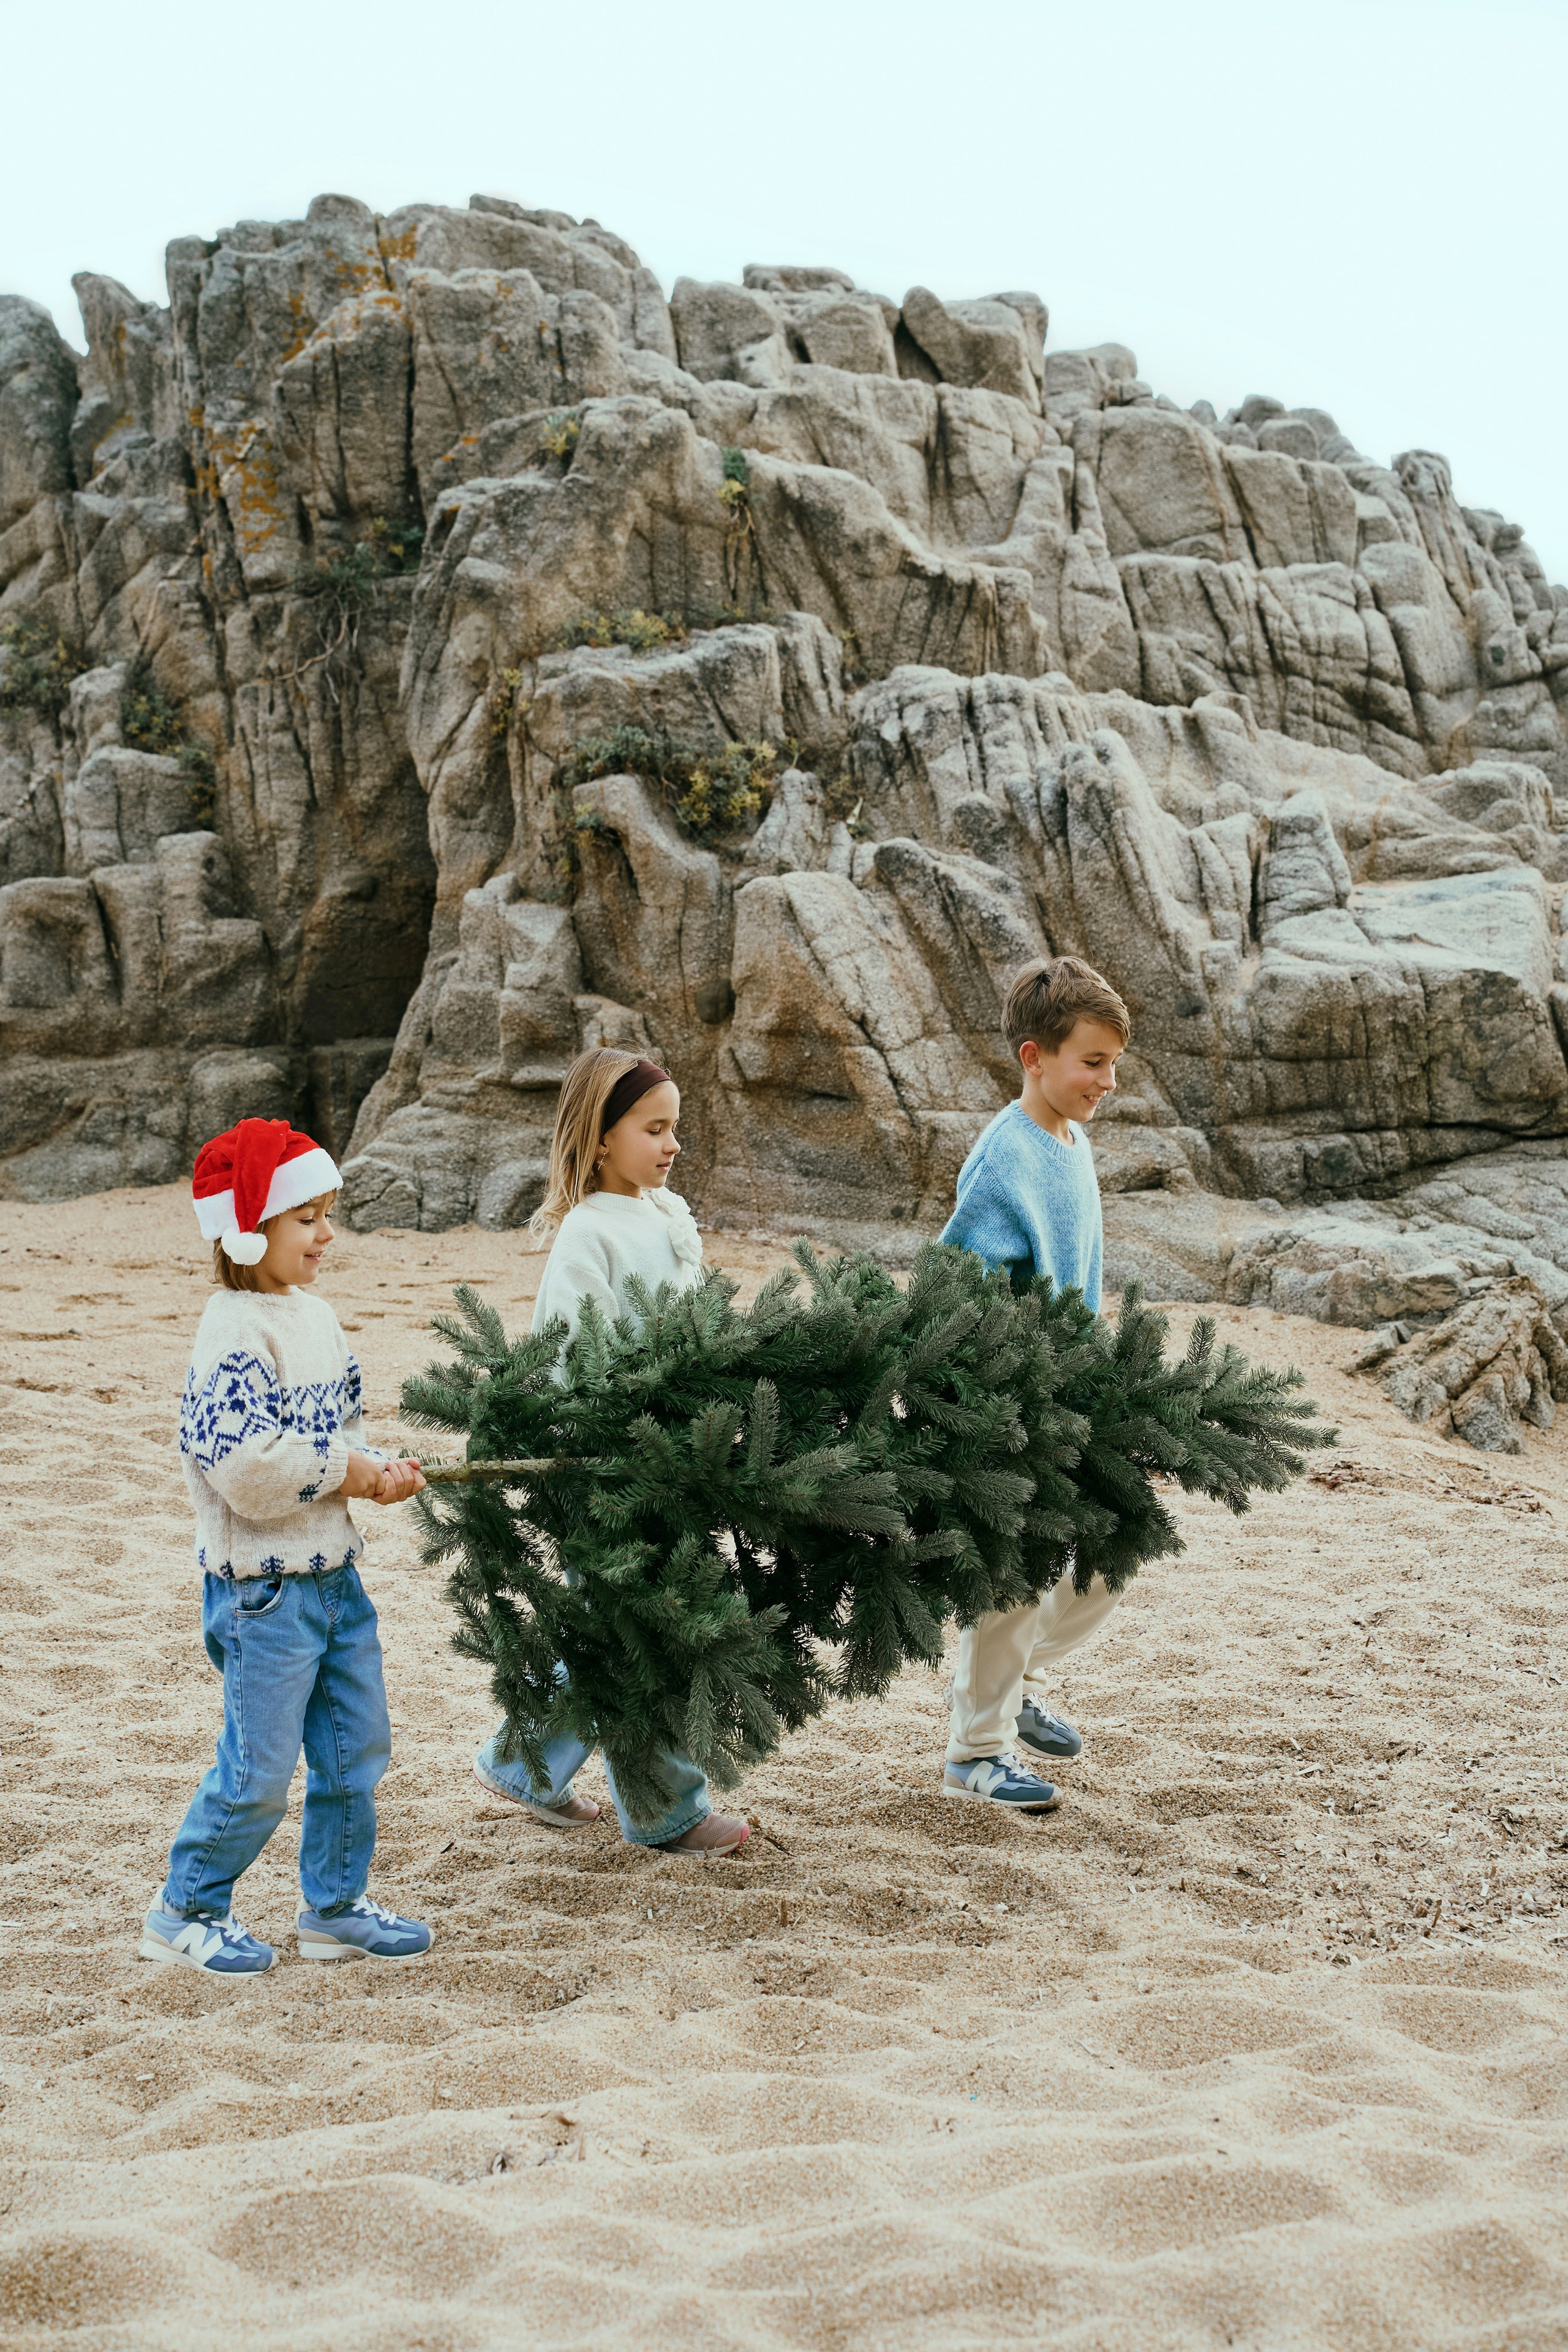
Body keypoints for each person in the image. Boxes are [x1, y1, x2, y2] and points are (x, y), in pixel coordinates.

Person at [139, 1118, 432, 1975]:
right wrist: (350, 1470)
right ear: (248, 1226)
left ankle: (334, 1908)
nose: (327, 1235)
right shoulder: (233, 1330)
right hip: (261, 1593)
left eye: (326, 1215)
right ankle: (184, 1908)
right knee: (260, 1768)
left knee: (355, 1749)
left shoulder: (316, 1317)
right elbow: (244, 1470)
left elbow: (342, 1427)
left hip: (335, 1577)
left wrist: (376, 1469)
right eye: (307, 1218)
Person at [472, 1049, 750, 1856]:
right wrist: (604, 1453)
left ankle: (520, 1763)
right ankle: (668, 1812)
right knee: (635, 1637)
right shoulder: (586, 1237)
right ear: (599, 1139)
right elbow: (564, 1360)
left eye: (677, 1130)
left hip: (676, 1459)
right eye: (654, 1129)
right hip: (614, 1470)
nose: (672, 1146)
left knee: (621, 1633)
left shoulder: (668, 1212)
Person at [939, 956, 1131, 1812]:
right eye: (1091, 1062)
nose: (1107, 1080)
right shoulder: (1002, 1158)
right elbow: (956, 1283)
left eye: (1113, 1064)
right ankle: (976, 1753)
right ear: (1035, 1058)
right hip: (1009, 1403)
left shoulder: (1074, 1139)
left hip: (1072, 1394)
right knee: (1013, 1577)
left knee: (1111, 1553)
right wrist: (998, 1391)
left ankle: (1009, 1682)